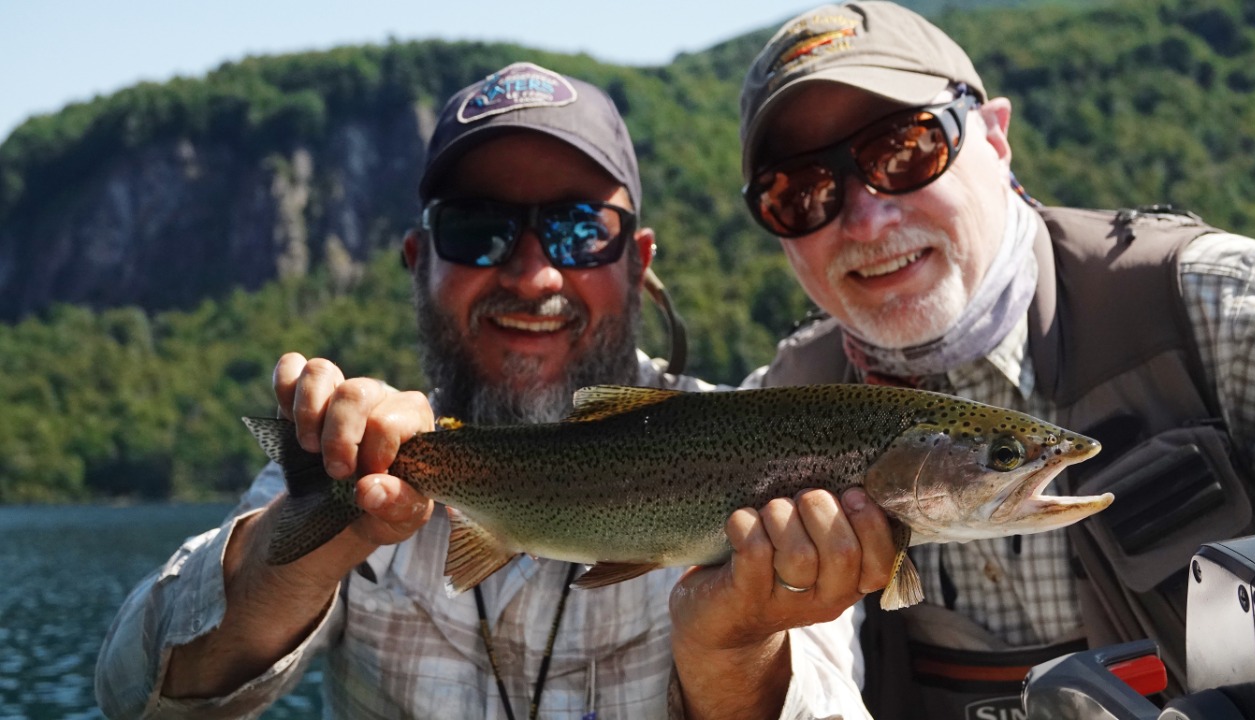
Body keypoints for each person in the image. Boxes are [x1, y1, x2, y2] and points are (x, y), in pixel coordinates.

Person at [95, 61, 896, 720]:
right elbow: (133, 699)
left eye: (581, 229)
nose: (532, 272)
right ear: (420, 260)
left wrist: (733, 650)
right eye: (478, 229)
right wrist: (297, 549)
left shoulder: (764, 443)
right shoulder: (368, 448)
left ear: (639, 261)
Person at [736, 3, 1255, 718]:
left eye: (905, 150)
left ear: (995, 136)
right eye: (801, 194)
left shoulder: (1226, 310)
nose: (865, 220)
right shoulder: (776, 409)